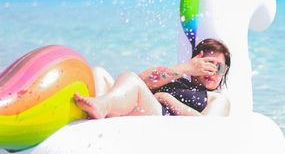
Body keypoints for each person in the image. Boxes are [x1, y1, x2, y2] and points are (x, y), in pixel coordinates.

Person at [74, 38, 231, 118]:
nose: (213, 71)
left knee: (130, 79)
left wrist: (167, 99)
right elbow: (143, 80)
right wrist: (185, 69)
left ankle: (102, 106)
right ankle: (93, 113)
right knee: (98, 73)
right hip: (143, 107)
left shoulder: (217, 99)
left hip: (161, 118)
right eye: (208, 64)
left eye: (220, 68)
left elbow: (207, 126)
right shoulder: (176, 78)